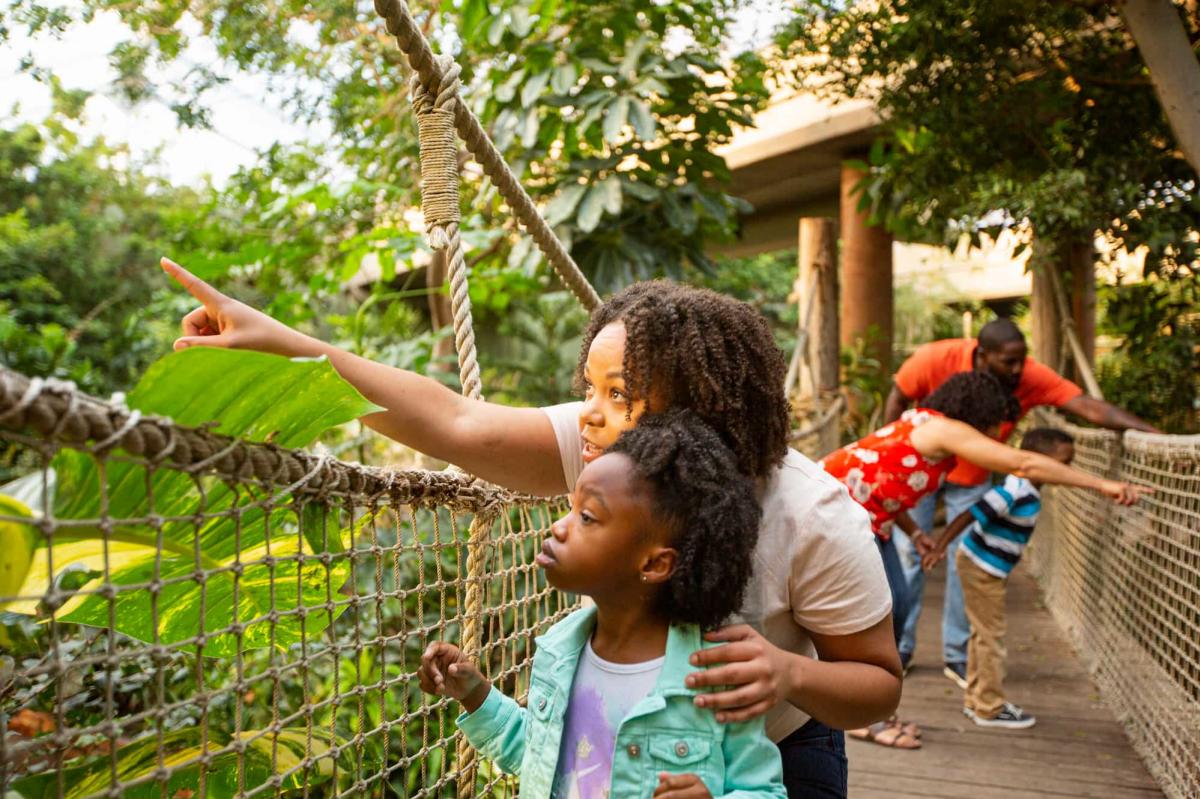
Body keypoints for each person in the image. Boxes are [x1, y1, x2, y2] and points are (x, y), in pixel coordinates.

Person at [161, 259, 901, 798]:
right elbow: (452, 419)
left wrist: (791, 672)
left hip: (768, 754)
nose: (588, 411)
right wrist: (281, 344)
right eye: (590, 387)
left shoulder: (812, 515)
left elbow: (879, 684)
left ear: (702, 406)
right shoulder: (609, 450)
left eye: (619, 393)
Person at [419, 411, 786, 799]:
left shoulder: (717, 675)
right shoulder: (559, 651)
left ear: (654, 563)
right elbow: (539, 757)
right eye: (571, 508)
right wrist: (476, 694)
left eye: (587, 517)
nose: (560, 527)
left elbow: (765, 791)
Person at [821, 372, 1147, 748]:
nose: (998, 436)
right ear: (980, 415)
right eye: (996, 426)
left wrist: (915, 534)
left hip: (863, 518)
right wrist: (1103, 485)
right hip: (834, 515)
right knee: (883, 613)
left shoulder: (924, 425)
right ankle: (860, 716)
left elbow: (880, 483)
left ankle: (871, 714)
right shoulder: (945, 430)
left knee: (897, 607)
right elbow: (1024, 464)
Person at [883, 318, 1160, 686]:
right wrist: (894, 454)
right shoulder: (934, 359)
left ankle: (957, 654)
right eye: (1008, 362)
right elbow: (898, 397)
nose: (1018, 370)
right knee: (908, 555)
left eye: (1021, 361)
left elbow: (1091, 408)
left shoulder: (1028, 374)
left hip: (974, 471)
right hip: (918, 469)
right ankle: (897, 649)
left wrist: (1161, 438)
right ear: (982, 356)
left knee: (960, 557)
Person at [921, 427, 1078, 730]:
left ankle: (976, 699)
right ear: (1036, 460)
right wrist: (939, 546)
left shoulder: (1027, 488)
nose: (1065, 471)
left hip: (985, 566)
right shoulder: (1015, 490)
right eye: (1062, 462)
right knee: (992, 637)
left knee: (982, 633)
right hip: (981, 569)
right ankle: (990, 707)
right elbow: (971, 513)